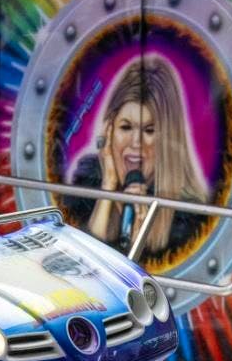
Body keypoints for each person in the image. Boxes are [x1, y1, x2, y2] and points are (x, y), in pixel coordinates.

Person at [67, 55, 209, 261]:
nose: (136, 142)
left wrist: (137, 244)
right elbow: (84, 263)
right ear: (109, 130)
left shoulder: (189, 216)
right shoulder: (87, 178)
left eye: (149, 130)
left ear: (168, 139)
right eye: (125, 127)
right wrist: (108, 188)